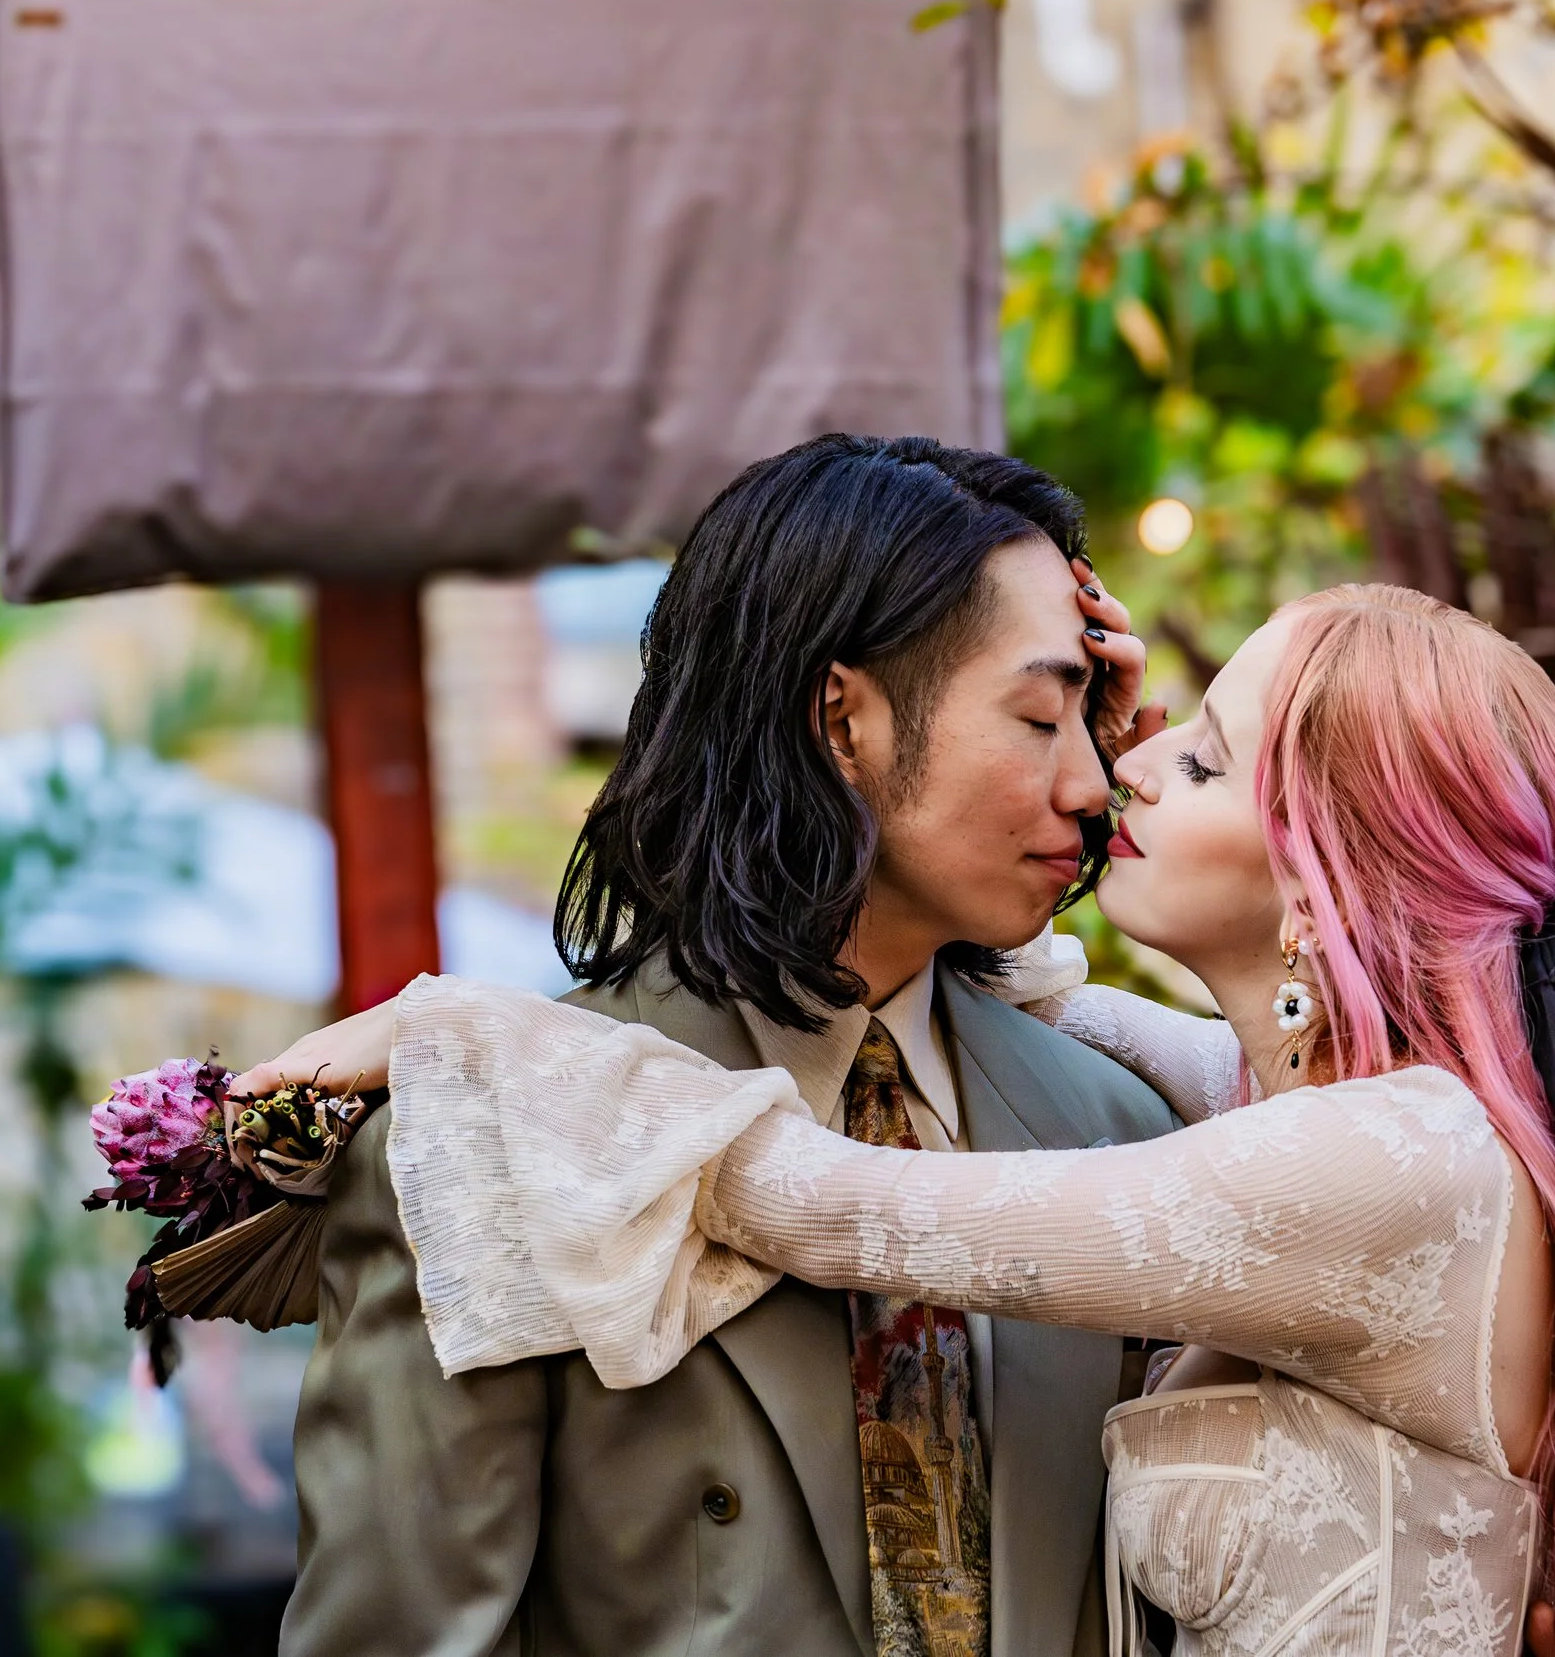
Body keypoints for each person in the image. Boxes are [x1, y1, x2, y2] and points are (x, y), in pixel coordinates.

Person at [260, 584, 1555, 1656]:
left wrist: (481, 1031)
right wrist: (1021, 800)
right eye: (1084, 727)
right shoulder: (1348, 1114)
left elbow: (831, 1201)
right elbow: (1063, 1007)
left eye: (1200, 759)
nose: (1121, 770)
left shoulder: (1394, 1162)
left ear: (1320, 874)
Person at [251, 434, 1186, 1657]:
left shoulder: (1118, 1130)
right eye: (1037, 716)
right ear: (841, 718)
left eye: (1086, 720)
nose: (1091, 785)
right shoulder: (481, 1146)